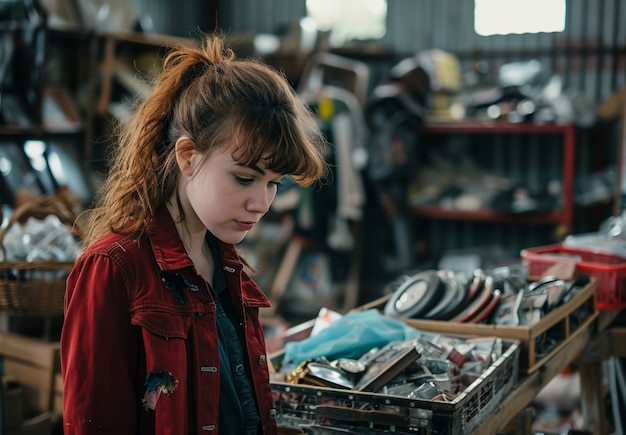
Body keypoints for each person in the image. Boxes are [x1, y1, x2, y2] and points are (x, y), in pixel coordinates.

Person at [60, 33, 328, 435]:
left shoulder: (224, 262)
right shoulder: (113, 269)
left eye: (275, 183)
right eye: (244, 178)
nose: (262, 203)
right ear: (188, 156)